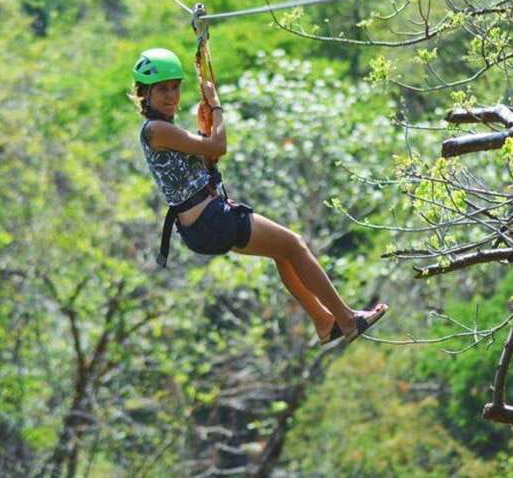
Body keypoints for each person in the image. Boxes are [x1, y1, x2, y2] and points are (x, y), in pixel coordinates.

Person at [133, 48, 388, 344]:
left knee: (283, 252)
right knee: (294, 245)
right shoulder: (156, 129)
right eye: (162, 89)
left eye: (175, 87)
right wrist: (216, 107)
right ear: (144, 94)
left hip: (204, 224)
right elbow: (219, 147)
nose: (171, 95)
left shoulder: (165, 130)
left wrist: (205, 130)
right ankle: (347, 320)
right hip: (211, 220)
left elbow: (207, 159)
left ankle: (324, 322)